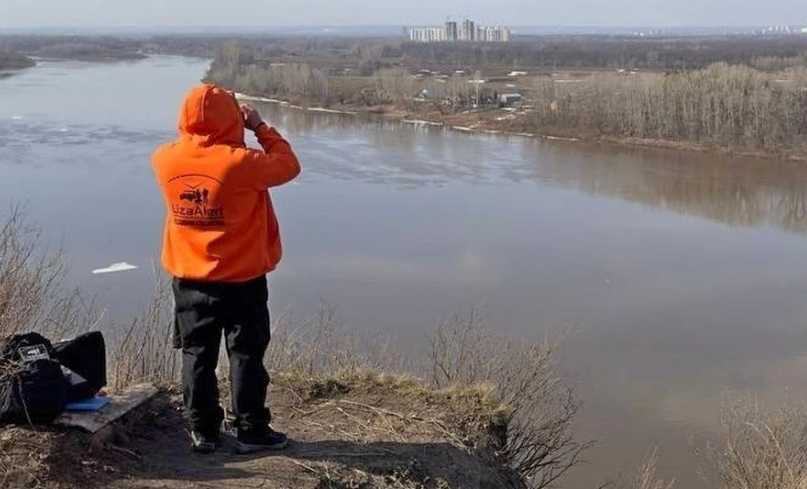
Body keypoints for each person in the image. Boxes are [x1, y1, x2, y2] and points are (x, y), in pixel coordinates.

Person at [152, 84, 301, 454]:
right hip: (242, 279)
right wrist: (260, 127)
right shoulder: (240, 163)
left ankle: (202, 430)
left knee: (197, 353)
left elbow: (193, 150)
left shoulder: (164, 159)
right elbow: (288, 165)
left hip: (188, 279)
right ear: (232, 118)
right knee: (246, 354)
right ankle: (251, 430)